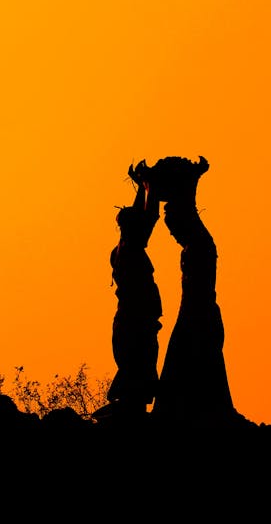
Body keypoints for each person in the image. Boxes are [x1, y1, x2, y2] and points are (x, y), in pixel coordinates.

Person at [147, 156, 238, 425]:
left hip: (198, 307)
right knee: (197, 347)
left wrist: (188, 180)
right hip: (199, 307)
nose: (173, 233)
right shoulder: (196, 242)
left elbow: (184, 209)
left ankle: (193, 407)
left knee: (195, 346)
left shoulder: (198, 242)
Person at [93, 161, 162, 422]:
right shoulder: (131, 249)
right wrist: (149, 187)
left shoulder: (123, 246)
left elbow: (140, 217)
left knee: (136, 364)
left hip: (129, 319)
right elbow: (149, 217)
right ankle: (130, 409)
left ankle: (130, 405)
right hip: (136, 319)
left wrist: (142, 186)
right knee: (139, 363)